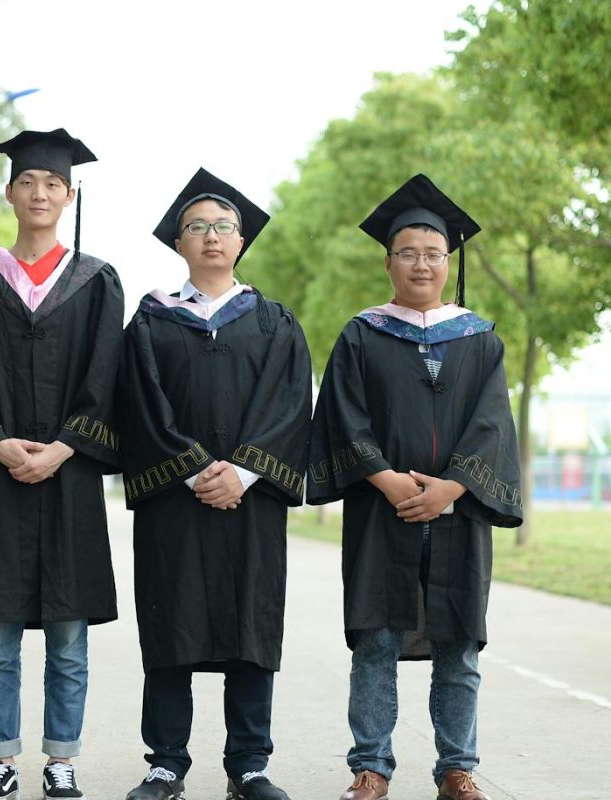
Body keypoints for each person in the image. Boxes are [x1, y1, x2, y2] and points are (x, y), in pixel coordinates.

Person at [306, 174, 523, 800]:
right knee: (376, 637)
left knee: (458, 642)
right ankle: (370, 766)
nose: (421, 263)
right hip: (382, 510)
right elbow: (344, 414)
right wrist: (386, 479)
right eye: (408, 252)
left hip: (460, 514)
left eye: (432, 254)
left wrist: (451, 488)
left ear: (447, 262)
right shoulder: (362, 334)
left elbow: (492, 425)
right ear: (389, 262)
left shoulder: (479, 339)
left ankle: (457, 767)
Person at [0, 128, 123, 800]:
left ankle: (62, 758)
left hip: (68, 478)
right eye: (28, 182)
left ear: (69, 195)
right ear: (10, 192)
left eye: (52, 184)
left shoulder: (97, 281)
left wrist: (67, 446)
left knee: (69, 636)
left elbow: (106, 377)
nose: (39, 192)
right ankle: (0, 758)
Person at [116, 168, 312, 800]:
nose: (211, 237)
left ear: (241, 241)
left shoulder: (277, 322)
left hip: (250, 503)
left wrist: (246, 471)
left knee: (250, 626)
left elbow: (290, 407)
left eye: (223, 227)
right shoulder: (149, 322)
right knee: (170, 624)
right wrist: (197, 468)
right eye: (196, 227)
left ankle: (249, 764)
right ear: (179, 243)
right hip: (177, 500)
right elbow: (141, 406)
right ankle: (166, 762)